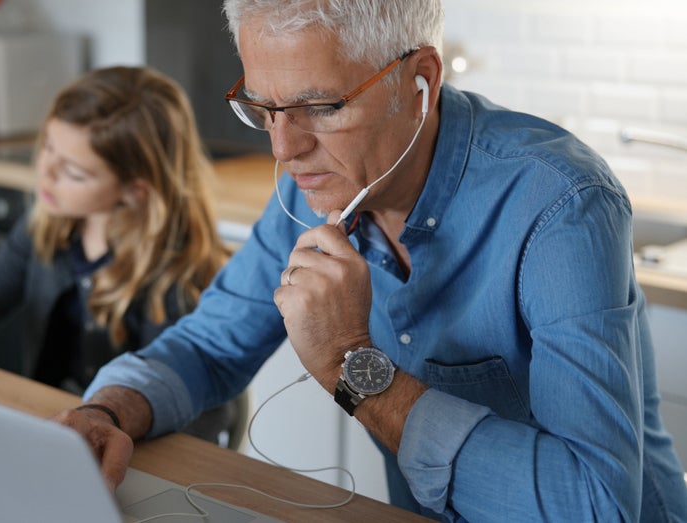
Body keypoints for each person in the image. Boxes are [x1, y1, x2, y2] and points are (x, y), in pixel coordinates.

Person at [52, 1, 687, 521]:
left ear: (421, 83)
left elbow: (596, 509)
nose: (285, 148)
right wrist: (105, 412)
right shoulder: (313, 184)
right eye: (264, 107)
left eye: (322, 107)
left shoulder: (561, 205)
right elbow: (208, 347)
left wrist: (351, 367)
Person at [0, 65, 238, 445]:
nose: (46, 173)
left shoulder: (180, 276)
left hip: (131, 446)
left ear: (134, 190)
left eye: (72, 172)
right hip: (56, 430)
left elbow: (182, 404)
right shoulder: (50, 227)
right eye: (48, 148)